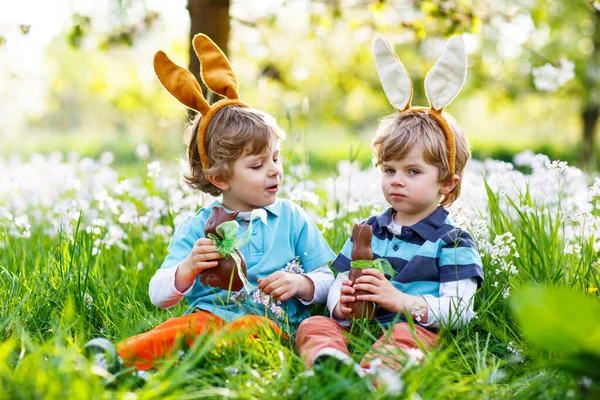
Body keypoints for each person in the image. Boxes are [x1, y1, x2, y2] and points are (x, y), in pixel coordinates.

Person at [85, 34, 335, 373]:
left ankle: (193, 362)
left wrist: (301, 284)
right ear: (219, 178)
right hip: (209, 318)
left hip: (271, 328)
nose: (274, 169)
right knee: (182, 330)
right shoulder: (197, 227)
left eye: (276, 158)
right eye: (257, 165)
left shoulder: (291, 218)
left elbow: (329, 278)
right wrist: (188, 267)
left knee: (251, 329)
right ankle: (115, 361)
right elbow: (159, 295)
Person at [295, 36, 484, 390]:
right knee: (314, 325)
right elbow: (338, 285)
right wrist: (341, 304)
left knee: (403, 334)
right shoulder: (368, 230)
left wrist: (400, 300)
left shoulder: (453, 240)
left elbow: (459, 311)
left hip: (413, 329)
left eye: (413, 172)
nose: (397, 181)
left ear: (446, 182)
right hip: (359, 328)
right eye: (389, 170)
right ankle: (329, 364)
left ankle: (377, 376)